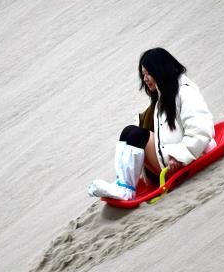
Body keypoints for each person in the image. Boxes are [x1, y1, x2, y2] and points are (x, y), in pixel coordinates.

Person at [88, 47, 216, 200]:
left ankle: (126, 191)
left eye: (148, 73)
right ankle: (122, 183)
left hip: (186, 159)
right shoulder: (163, 96)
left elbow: (200, 130)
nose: (145, 79)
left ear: (160, 70)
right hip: (170, 156)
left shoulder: (185, 92)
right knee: (129, 131)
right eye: (143, 75)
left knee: (137, 135)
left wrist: (179, 156)